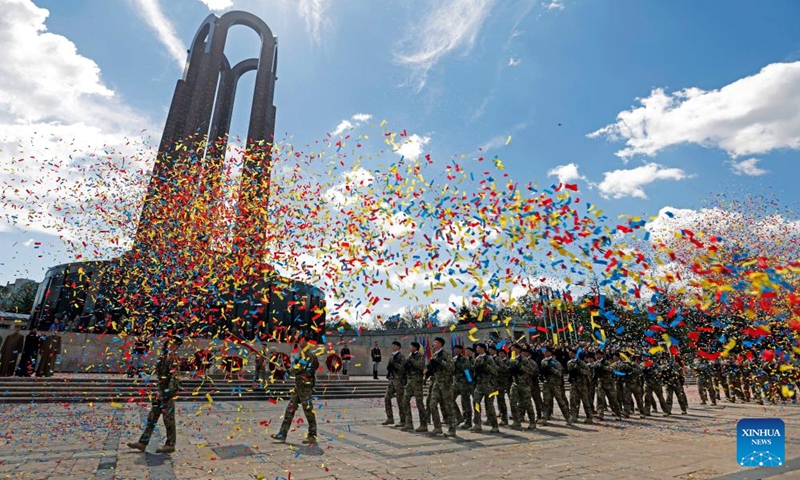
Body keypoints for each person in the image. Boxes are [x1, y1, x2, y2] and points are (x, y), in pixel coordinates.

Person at [127, 335, 182, 454]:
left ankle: (170, 444)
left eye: (173, 344)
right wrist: (159, 391)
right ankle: (142, 443)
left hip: (167, 394)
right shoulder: (164, 357)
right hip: (161, 392)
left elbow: (174, 379)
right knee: (152, 418)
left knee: (168, 420)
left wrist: (167, 393)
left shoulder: (173, 358)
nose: (169, 345)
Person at [271, 335, 320, 444]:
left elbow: (299, 368)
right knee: (290, 409)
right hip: (298, 388)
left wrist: (289, 371)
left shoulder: (308, 355)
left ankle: (312, 435)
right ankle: (282, 434)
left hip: (305, 388)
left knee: (308, 411)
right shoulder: (303, 355)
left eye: (302, 341)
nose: (300, 343)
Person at [426, 337, 457, 437]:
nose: (433, 344)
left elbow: (451, 367)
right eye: (434, 342)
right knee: (432, 404)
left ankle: (452, 429)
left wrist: (440, 362)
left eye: (435, 342)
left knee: (448, 406)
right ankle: (437, 427)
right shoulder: (435, 355)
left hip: (446, 384)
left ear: (440, 344)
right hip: (436, 382)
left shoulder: (445, 354)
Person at [470, 343, 500, 433]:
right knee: (476, 403)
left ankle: (495, 426)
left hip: (488, 386)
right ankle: (477, 424)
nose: (476, 349)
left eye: (478, 348)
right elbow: (475, 371)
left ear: (483, 349)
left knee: (489, 406)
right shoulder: (477, 358)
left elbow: (495, 371)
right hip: (479, 385)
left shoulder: (489, 358)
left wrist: (486, 367)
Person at [539, 346, 572, 426]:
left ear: (550, 353)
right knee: (546, 402)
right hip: (546, 384)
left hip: (555, 385)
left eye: (546, 351)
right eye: (544, 352)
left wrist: (551, 369)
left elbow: (560, 373)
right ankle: (545, 419)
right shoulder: (543, 361)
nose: (545, 353)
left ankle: (568, 418)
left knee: (560, 402)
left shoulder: (555, 362)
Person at [401, 342, 427, 432]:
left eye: (411, 346)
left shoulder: (419, 356)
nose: (410, 348)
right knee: (405, 400)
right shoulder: (409, 356)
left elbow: (421, 366)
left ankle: (423, 424)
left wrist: (470, 380)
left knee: (419, 403)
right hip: (410, 381)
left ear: (415, 348)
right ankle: (409, 423)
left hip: (417, 381)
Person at [508, 343, 536, 430]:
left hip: (524, 384)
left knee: (527, 403)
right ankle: (517, 421)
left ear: (518, 350)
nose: (512, 350)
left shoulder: (524, 360)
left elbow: (531, 371)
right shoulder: (511, 360)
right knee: (512, 402)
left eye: (513, 349)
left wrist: (520, 367)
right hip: (515, 383)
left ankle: (532, 421)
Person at [567, 350, 594, 424]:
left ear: (575, 354)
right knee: (573, 401)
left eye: (571, 353)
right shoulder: (569, 363)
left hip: (582, 384)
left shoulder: (581, 362)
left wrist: (579, 370)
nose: (570, 354)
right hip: (574, 384)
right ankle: (573, 416)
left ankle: (589, 417)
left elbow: (588, 372)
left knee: (585, 401)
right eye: (569, 353)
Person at [383, 341, 406, 426]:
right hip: (392, 380)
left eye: (395, 345)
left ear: (398, 347)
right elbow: (390, 366)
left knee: (400, 400)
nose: (393, 346)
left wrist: (394, 364)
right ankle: (390, 418)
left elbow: (403, 368)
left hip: (399, 381)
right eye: (392, 345)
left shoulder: (401, 356)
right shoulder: (392, 356)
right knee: (387, 397)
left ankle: (403, 420)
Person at [452, 344, 473, 429]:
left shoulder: (465, 359)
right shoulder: (453, 359)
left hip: (464, 383)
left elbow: (467, 371)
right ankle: (459, 417)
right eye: (454, 349)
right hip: (456, 383)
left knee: (466, 403)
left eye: (457, 349)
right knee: (450, 399)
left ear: (461, 350)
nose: (455, 351)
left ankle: (468, 422)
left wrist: (470, 382)